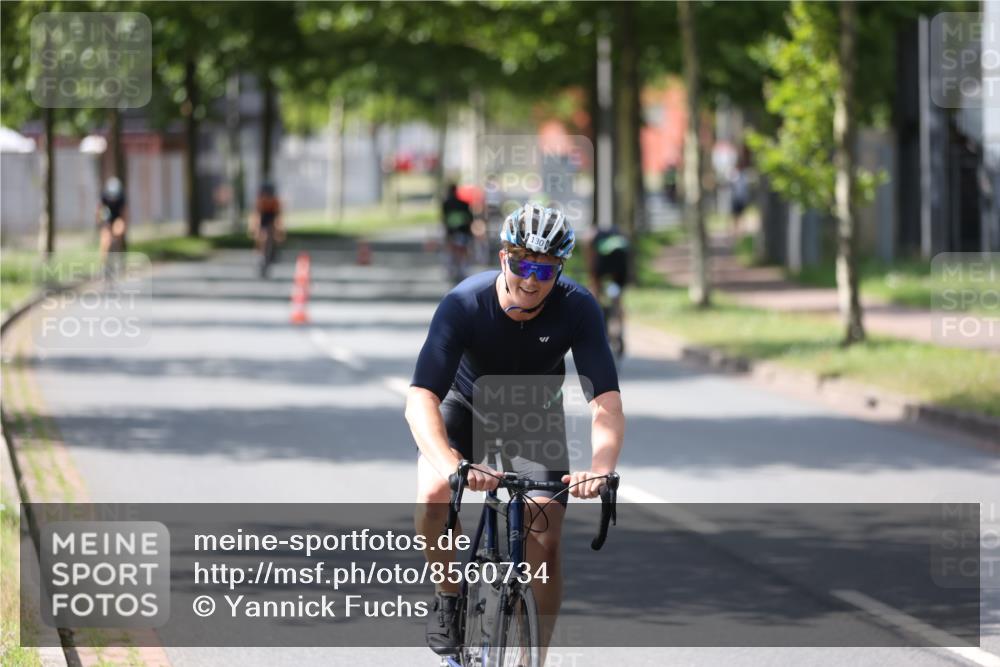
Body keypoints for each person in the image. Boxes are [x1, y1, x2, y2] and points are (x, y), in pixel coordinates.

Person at [407, 202, 625, 661]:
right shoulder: (465, 303)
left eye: (544, 271)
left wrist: (600, 468)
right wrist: (454, 467)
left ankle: (534, 658)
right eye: (522, 263)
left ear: (560, 270)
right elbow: (421, 398)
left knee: (544, 540)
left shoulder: (578, 307)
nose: (531, 279)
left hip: (530, 413)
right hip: (462, 404)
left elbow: (605, 401)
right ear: (503, 256)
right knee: (433, 496)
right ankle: (450, 596)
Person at [587, 225, 630, 357]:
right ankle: (620, 330)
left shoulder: (591, 235)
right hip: (620, 265)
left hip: (603, 263)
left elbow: (590, 259)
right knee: (617, 299)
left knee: (595, 296)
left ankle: (600, 325)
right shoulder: (620, 233)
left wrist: (593, 280)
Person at [248, 182, 284, 277]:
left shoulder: (275, 202)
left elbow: (278, 217)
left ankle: (271, 254)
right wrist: (254, 229)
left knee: (272, 236)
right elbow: (257, 216)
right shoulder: (260, 201)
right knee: (261, 237)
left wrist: (279, 231)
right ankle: (259, 255)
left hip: (271, 220)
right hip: (263, 221)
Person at [441, 183, 474, 283]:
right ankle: (461, 270)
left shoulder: (446, 204)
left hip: (452, 232)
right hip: (463, 231)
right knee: (462, 251)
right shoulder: (464, 204)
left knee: (453, 251)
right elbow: (470, 218)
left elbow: (444, 219)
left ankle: (453, 270)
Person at [96, 176, 128, 265]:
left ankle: (118, 252)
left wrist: (124, 225)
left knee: (118, 231)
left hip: (117, 218)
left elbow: (124, 213)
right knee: (105, 240)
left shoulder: (121, 198)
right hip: (107, 218)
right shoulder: (104, 196)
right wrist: (99, 222)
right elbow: (99, 210)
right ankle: (103, 263)